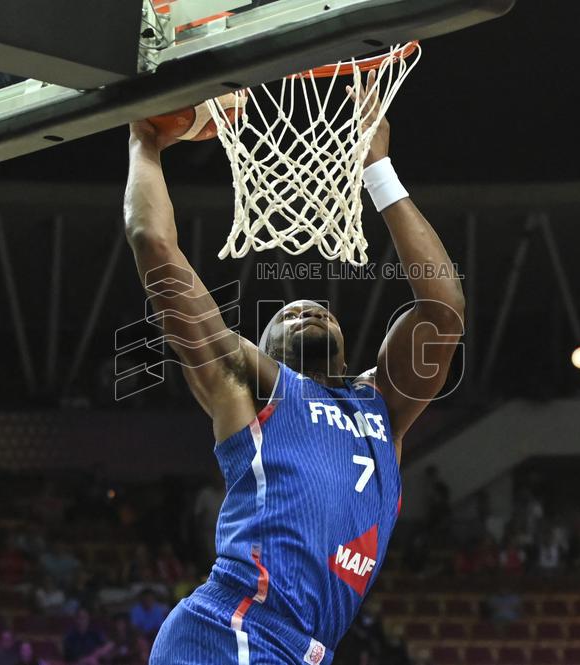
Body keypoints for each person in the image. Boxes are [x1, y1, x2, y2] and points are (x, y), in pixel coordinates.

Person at [126, 70, 464, 665]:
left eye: (320, 309)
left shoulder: (381, 407)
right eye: (285, 313)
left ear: (346, 340)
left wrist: (376, 170)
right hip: (231, 628)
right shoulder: (243, 387)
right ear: (261, 345)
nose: (307, 307)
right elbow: (153, 243)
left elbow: (444, 307)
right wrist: (143, 140)